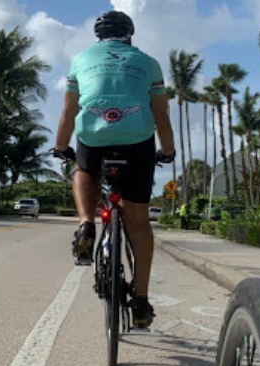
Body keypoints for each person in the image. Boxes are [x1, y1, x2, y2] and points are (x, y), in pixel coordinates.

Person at [53, 10, 175, 328]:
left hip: (94, 135)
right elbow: (160, 115)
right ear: (129, 35)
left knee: (84, 172)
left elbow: (69, 111)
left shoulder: (81, 59)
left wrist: (61, 146)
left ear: (98, 36)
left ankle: (85, 225)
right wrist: (168, 150)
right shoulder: (148, 62)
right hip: (137, 139)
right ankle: (142, 300)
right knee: (138, 220)